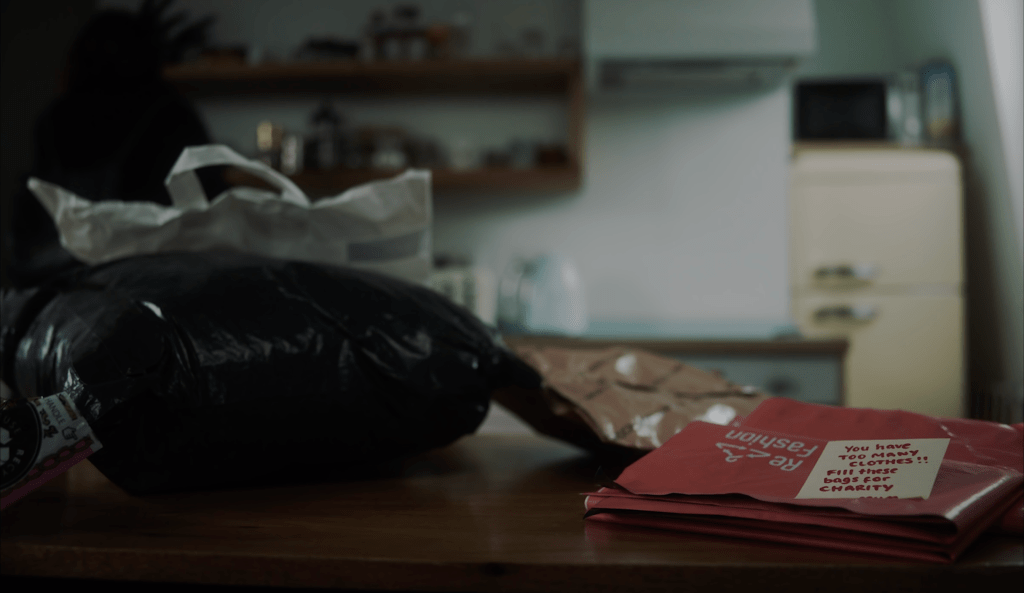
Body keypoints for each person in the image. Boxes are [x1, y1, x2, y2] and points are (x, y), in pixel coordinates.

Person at [6, 3, 225, 287]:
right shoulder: (172, 113)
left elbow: (32, 217)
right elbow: (211, 210)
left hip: (60, 286)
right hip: (148, 285)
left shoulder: (55, 116)